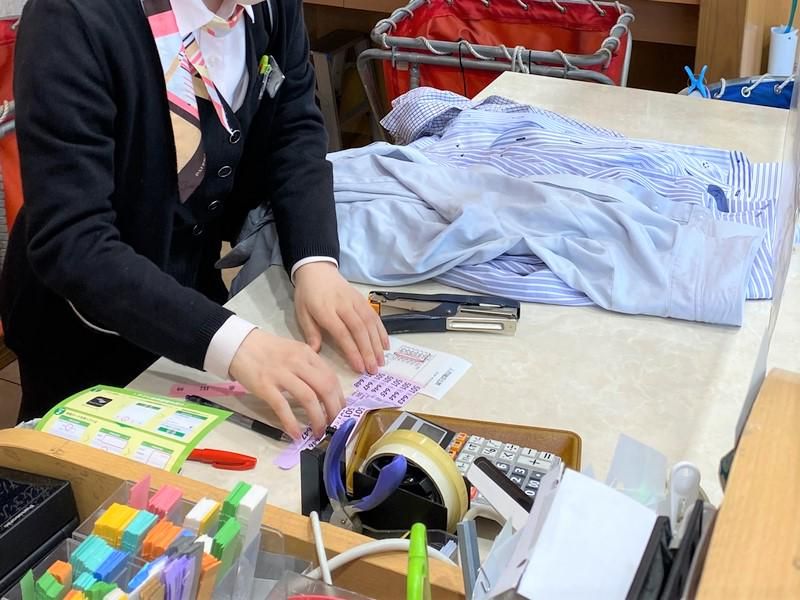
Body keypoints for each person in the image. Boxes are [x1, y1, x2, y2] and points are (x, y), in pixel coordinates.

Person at [0, 0, 388, 438]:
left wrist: (315, 263)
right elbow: (75, 241)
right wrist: (235, 344)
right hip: (82, 323)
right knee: (80, 464)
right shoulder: (70, 18)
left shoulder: (267, 7)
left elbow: (294, 127)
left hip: (192, 287)